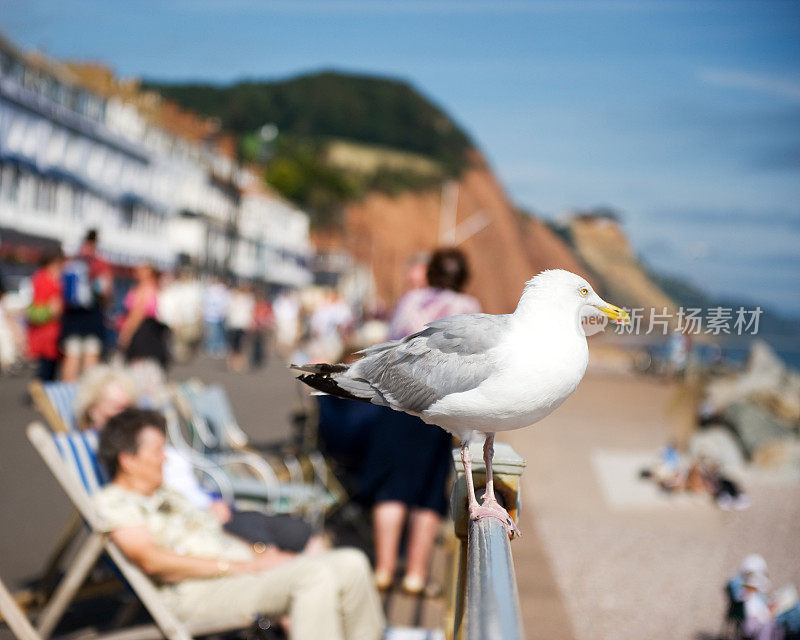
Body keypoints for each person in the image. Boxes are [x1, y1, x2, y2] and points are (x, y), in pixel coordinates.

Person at [94, 408, 384, 640]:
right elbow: (151, 561)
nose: (165, 458)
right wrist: (240, 567)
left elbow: (213, 532)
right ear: (128, 461)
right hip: (199, 592)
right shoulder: (116, 502)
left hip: (236, 573)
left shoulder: (165, 492)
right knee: (313, 578)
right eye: (157, 451)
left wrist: (261, 556)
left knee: (351, 563)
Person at [75, 365, 320, 553]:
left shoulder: (136, 440)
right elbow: (142, 504)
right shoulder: (108, 451)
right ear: (92, 409)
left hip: (208, 508)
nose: (125, 417)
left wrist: (212, 500)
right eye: (116, 409)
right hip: (195, 524)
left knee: (300, 532)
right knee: (268, 548)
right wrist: (201, 511)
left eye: (130, 408)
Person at [371, 248, 480, 593]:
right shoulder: (469, 308)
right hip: (437, 408)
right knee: (429, 493)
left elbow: (390, 343)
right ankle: (416, 575)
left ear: (430, 273)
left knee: (392, 486)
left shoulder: (409, 301)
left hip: (395, 400)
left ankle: (384, 569)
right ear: (463, 277)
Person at [60, 230, 113, 382]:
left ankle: (67, 396)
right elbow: (107, 291)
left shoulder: (72, 260)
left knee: (72, 356)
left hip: (72, 316)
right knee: (91, 357)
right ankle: (87, 396)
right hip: (93, 316)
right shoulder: (100, 263)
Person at [118, 264, 170, 370]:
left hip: (142, 332)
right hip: (153, 331)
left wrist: (126, 335)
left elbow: (137, 314)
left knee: (138, 366)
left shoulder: (144, 288)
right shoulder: (156, 286)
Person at [27, 249, 64, 381]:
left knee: (50, 369)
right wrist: (50, 309)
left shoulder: (53, 278)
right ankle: (42, 396)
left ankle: (44, 395)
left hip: (54, 330)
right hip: (45, 331)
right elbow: (35, 307)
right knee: (45, 370)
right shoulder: (42, 279)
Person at [225, 282, 255, 372]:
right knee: (234, 345)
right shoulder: (232, 297)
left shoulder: (248, 298)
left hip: (242, 324)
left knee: (240, 345)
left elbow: (250, 312)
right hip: (233, 324)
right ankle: (232, 362)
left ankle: (239, 363)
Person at [202, 278, 229, 358]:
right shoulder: (216, 291)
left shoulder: (213, 290)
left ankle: (216, 347)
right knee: (213, 333)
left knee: (216, 333)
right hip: (213, 315)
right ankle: (213, 347)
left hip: (216, 315)